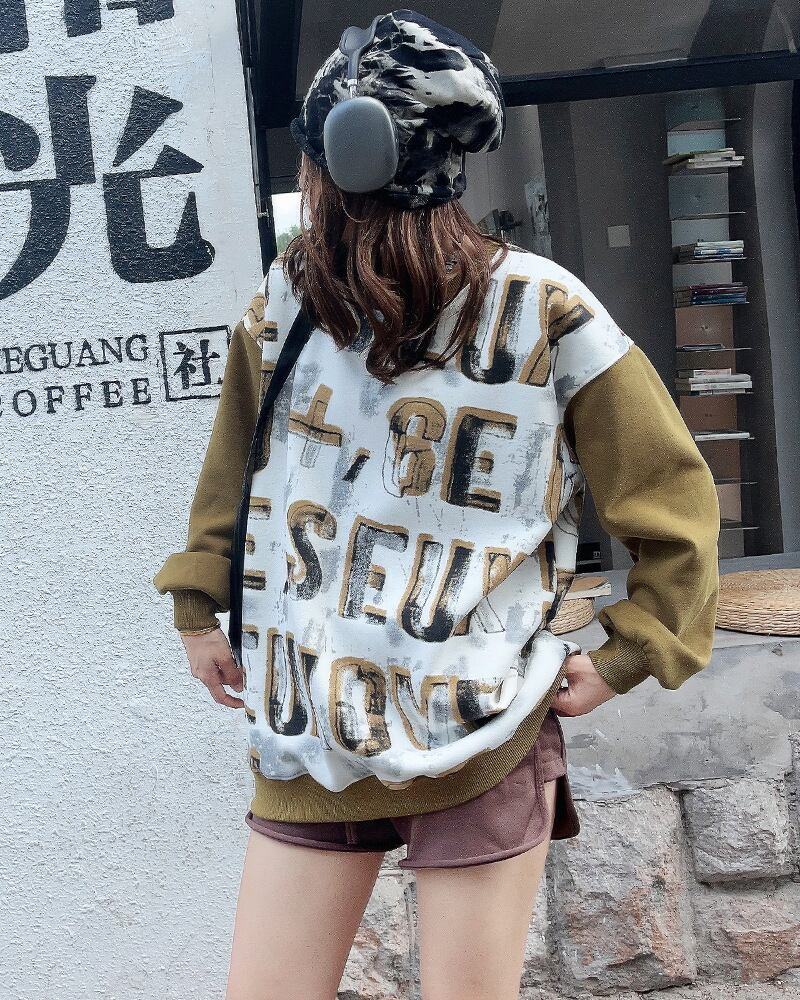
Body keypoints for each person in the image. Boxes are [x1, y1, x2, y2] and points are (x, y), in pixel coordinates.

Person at [153, 10, 721, 1000]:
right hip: (311, 716)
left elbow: (666, 495)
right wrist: (199, 600)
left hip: (482, 724)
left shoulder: (545, 311)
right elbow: (239, 465)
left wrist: (631, 650)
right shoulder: (289, 303)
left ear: (344, 158)